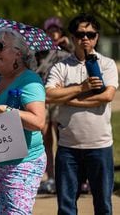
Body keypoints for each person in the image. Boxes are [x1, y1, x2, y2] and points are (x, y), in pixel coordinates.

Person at [45, 13, 118, 214]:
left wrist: (67, 98)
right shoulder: (61, 66)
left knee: (103, 205)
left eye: (90, 34)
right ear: (73, 36)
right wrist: (81, 87)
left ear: (97, 37)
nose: (85, 38)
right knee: (66, 207)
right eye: (80, 34)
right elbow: (48, 95)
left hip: (100, 146)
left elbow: (107, 96)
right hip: (68, 147)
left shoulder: (107, 64)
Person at [0, 28, 46, 214]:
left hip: (24, 162)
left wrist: (6, 110)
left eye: (0, 47)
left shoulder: (30, 81)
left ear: (18, 52)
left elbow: (38, 122)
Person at [35, 16, 72, 194]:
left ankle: (65, 177)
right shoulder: (39, 51)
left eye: (56, 30)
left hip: (59, 98)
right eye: (50, 30)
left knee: (62, 138)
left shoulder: (67, 51)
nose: (53, 33)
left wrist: (68, 46)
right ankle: (50, 178)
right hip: (42, 98)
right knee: (46, 139)